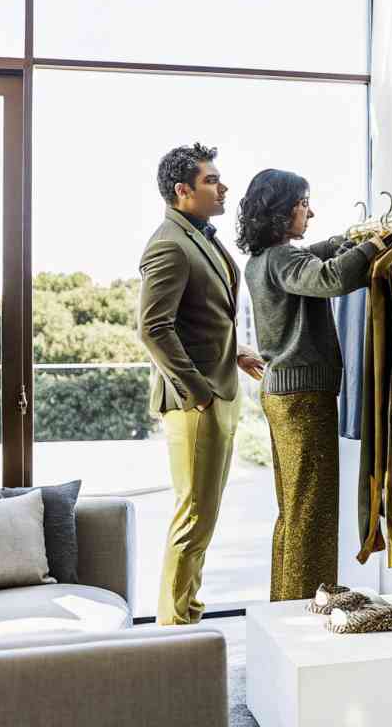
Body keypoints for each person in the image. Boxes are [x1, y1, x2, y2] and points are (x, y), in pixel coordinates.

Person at [237, 168, 386, 601]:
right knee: (313, 511)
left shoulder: (263, 260)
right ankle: (308, 608)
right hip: (303, 397)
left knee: (294, 509)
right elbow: (330, 278)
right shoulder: (284, 261)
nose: (310, 212)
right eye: (304, 203)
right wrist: (374, 247)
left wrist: (348, 240)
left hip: (283, 394)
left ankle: (287, 604)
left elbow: (314, 258)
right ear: (282, 211)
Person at [138, 143, 265, 625]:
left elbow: (201, 317)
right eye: (212, 180)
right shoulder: (168, 243)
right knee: (193, 518)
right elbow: (153, 328)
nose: (223, 185)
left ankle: (186, 611)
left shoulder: (200, 237)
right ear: (182, 190)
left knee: (203, 517)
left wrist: (235, 352)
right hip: (196, 403)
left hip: (220, 390)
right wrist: (198, 392)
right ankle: (176, 628)